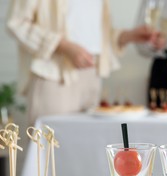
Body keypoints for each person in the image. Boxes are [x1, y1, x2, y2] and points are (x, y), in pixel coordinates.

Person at [6, 0, 158, 125]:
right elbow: (16, 23)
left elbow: (98, 34)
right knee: (47, 152)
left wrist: (128, 36)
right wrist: (63, 45)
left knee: (84, 150)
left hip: (92, 76)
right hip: (53, 76)